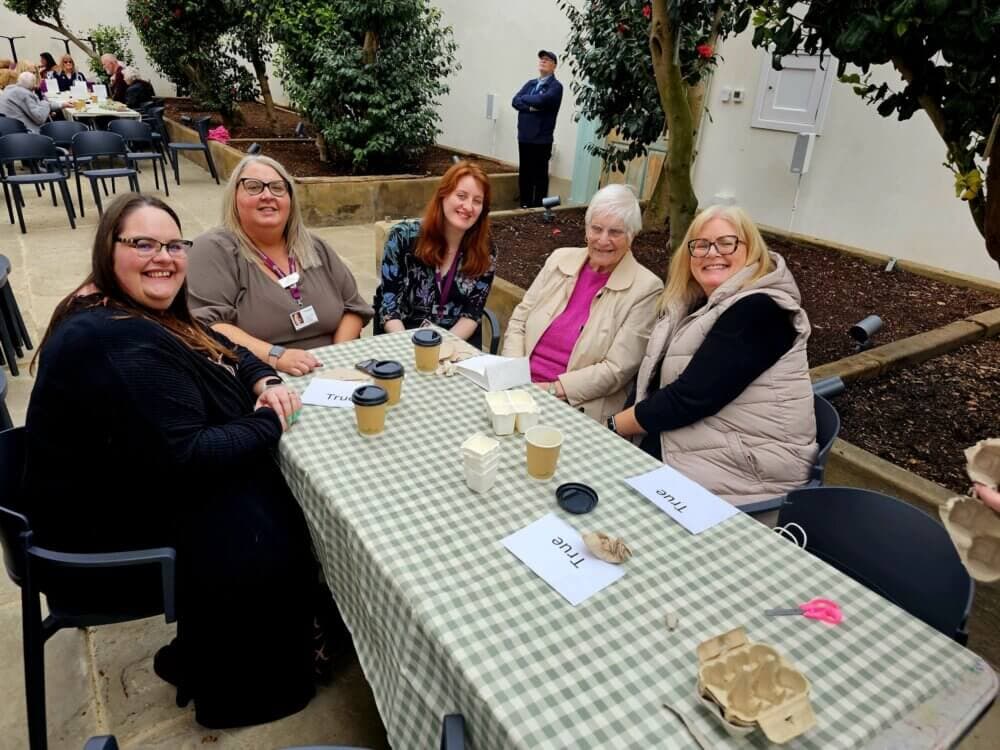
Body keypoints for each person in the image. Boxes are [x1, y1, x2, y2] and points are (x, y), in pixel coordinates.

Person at [22, 193, 322, 728]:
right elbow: (192, 455)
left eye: (173, 245)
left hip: (119, 486)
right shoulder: (114, 338)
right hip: (96, 548)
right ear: (108, 249)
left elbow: (218, 340)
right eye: (142, 244)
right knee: (265, 520)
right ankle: (249, 683)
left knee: (263, 493)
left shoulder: (130, 306)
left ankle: (242, 639)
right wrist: (270, 420)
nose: (163, 257)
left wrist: (264, 378)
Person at [608, 205, 818, 508]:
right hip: (698, 444)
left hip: (741, 474)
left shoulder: (761, 310)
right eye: (701, 245)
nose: (711, 253)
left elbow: (688, 399)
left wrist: (612, 425)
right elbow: (652, 381)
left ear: (752, 251)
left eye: (726, 243)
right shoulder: (694, 305)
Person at [189, 155, 372, 377]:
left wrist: (335, 358)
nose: (267, 195)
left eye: (277, 188)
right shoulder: (213, 250)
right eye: (254, 187)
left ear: (290, 199)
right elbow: (208, 326)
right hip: (259, 375)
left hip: (330, 370)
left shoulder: (314, 246)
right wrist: (276, 355)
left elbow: (353, 308)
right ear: (234, 197)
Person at [502, 184, 662, 421]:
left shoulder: (646, 289)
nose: (603, 240)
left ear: (632, 236)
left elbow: (616, 369)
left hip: (574, 405)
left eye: (615, 232)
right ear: (586, 229)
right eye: (596, 229)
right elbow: (519, 319)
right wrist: (515, 374)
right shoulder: (559, 259)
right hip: (519, 385)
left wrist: (551, 390)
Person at [374, 160, 495, 349]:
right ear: (443, 195)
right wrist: (413, 349)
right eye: (461, 196)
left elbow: (472, 314)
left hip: (454, 343)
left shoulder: (485, 250)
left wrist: (442, 349)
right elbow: (389, 309)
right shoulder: (402, 238)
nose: (468, 206)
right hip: (402, 339)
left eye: (477, 201)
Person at [511, 50, 563, 208]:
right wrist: (531, 107)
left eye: (547, 59)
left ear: (554, 66)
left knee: (539, 175)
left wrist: (527, 102)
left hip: (541, 139)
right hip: (525, 137)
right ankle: (524, 204)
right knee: (525, 173)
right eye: (541, 59)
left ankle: (539, 207)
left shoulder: (555, 86)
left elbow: (543, 100)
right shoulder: (531, 84)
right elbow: (515, 101)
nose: (543, 61)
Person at [0, 71, 72, 132]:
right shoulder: (24, 94)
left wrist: (61, 104)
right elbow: (40, 117)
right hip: (27, 133)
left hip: (9, 133)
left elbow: (38, 107)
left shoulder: (10, 91)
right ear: (33, 85)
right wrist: (45, 102)